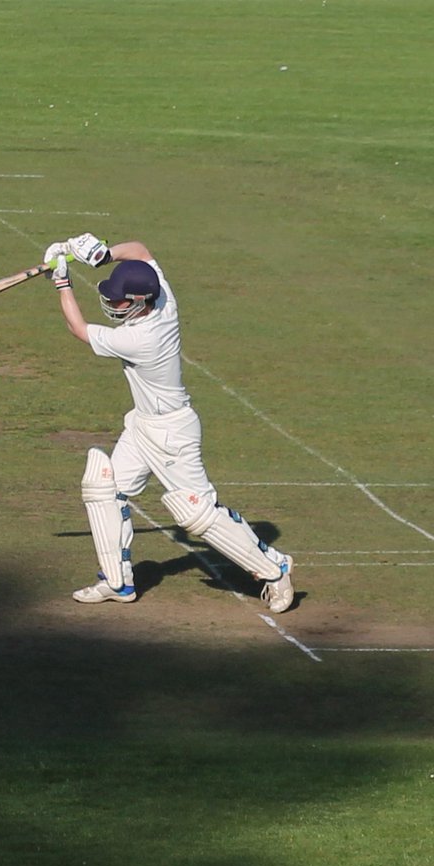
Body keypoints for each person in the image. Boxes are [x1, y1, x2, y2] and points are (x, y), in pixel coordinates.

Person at [43, 233, 295, 613]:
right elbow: (141, 251)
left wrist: (62, 283)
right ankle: (117, 582)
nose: (110, 301)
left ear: (138, 301)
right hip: (143, 425)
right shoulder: (162, 296)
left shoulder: (142, 338)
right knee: (104, 488)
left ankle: (275, 570)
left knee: (195, 514)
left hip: (172, 433)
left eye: (118, 298)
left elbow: (79, 329)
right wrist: (100, 255)